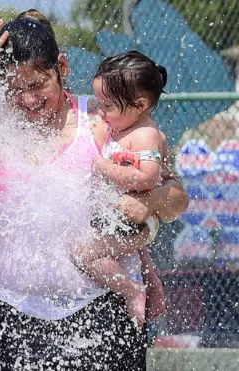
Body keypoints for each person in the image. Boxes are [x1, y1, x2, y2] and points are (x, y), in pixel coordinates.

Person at [0, 15, 188, 369]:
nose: (28, 99)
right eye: (15, 89)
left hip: (101, 309)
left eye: (37, 85)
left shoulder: (103, 121)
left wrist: (151, 201)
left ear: (61, 67)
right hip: (15, 315)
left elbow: (176, 200)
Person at [72, 50, 170, 326]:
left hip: (134, 224)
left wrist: (103, 167)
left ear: (140, 105)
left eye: (108, 106)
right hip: (123, 221)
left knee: (83, 252)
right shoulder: (124, 130)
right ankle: (140, 284)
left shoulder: (145, 135)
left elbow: (148, 177)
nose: (100, 112)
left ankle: (130, 290)